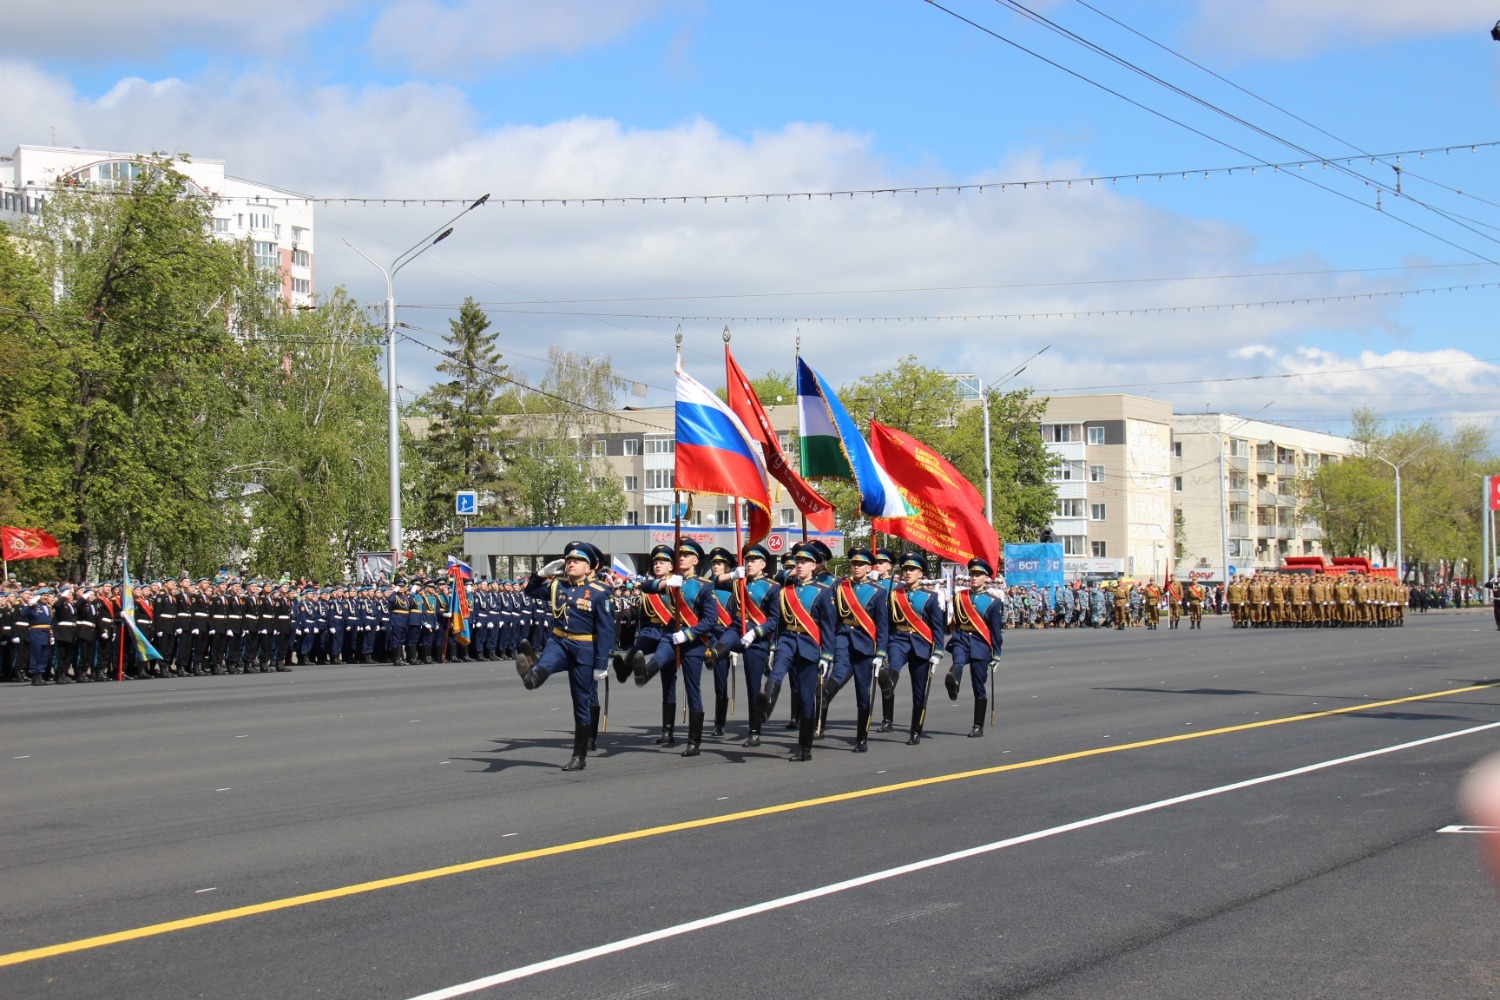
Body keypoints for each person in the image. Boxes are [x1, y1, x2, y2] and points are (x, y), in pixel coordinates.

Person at [515, 542, 615, 772]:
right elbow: (530, 591)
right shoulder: (557, 586)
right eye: (569, 560)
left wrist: (603, 662)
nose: (571, 563)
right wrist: (540, 575)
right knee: (546, 665)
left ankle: (579, 756)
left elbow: (606, 630)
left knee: (581, 701)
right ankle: (531, 676)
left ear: (590, 567)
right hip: (559, 642)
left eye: (577, 561)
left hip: (584, 648)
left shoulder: (600, 592)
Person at [635, 539, 718, 756]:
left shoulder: (704, 585)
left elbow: (711, 620)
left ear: (695, 560)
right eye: (679, 555)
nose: (680, 558)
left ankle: (694, 742)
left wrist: (688, 634)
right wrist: (663, 584)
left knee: (692, 690)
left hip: (693, 641)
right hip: (671, 634)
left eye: (686, 555)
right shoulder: (671, 580)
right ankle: (644, 674)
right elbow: (645, 587)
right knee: (660, 660)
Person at [764, 542, 835, 761]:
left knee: (806, 698)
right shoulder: (786, 590)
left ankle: (805, 747)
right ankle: (767, 701)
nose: (800, 565)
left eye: (805, 562)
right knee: (777, 671)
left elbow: (828, 626)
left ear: (814, 565)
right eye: (798, 561)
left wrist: (827, 655)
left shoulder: (823, 592)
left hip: (808, 645)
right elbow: (779, 622)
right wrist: (773, 647)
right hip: (787, 641)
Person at [820, 546, 888, 752]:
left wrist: (880, 653)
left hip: (865, 645)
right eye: (854, 564)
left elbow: (882, 625)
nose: (856, 567)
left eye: (860, 564)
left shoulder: (878, 592)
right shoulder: (841, 587)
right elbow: (832, 616)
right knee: (838, 674)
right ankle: (823, 699)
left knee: (862, 692)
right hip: (843, 640)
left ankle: (861, 737)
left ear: (869, 568)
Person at [883, 552, 947, 746]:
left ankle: (915, 730)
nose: (908, 572)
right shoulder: (894, 594)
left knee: (919, 691)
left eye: (912, 569)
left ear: (921, 573)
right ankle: (888, 684)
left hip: (921, 644)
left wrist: (937, 652)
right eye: (906, 569)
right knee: (894, 665)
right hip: (899, 640)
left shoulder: (930, 597)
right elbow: (888, 623)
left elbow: (937, 628)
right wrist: (882, 648)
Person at [945, 558, 1005, 737]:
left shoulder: (993, 601)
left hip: (981, 643)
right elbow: (957, 620)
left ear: (986, 578)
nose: (974, 577)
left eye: (978, 574)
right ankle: (953, 684)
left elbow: (995, 630)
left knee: (978, 684)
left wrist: (996, 654)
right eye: (972, 574)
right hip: (962, 639)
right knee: (958, 661)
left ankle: (978, 726)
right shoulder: (960, 596)